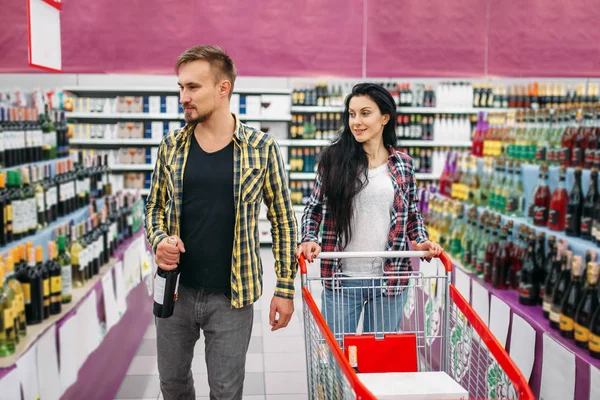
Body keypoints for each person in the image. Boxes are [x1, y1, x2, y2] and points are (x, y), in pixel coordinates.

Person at [145, 45, 298, 400]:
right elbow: (153, 206)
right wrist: (159, 240)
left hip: (233, 296)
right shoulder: (172, 145)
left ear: (223, 88)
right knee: (172, 384)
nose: (184, 97)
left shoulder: (261, 148)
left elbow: (283, 221)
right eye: (180, 88)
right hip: (175, 291)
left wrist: (285, 288)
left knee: (226, 391)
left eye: (193, 87)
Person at [295, 83, 442, 337]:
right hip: (342, 278)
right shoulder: (333, 161)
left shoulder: (403, 164)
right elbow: (314, 209)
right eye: (352, 114)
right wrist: (309, 238)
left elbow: (411, 214)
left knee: (380, 362)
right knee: (339, 359)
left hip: (390, 281)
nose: (356, 122)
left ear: (385, 117)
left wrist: (420, 240)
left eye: (365, 113)